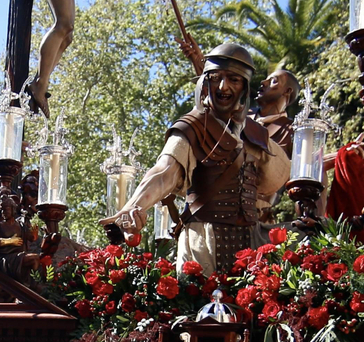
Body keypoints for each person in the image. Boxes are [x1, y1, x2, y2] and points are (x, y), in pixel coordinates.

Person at [109, 44, 289, 274]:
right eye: (216, 78)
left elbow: (275, 180)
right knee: (198, 308)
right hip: (202, 244)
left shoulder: (255, 135)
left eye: (233, 79)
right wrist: (134, 208)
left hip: (250, 244)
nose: (223, 87)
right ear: (206, 83)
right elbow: (164, 172)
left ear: (244, 86)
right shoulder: (192, 126)